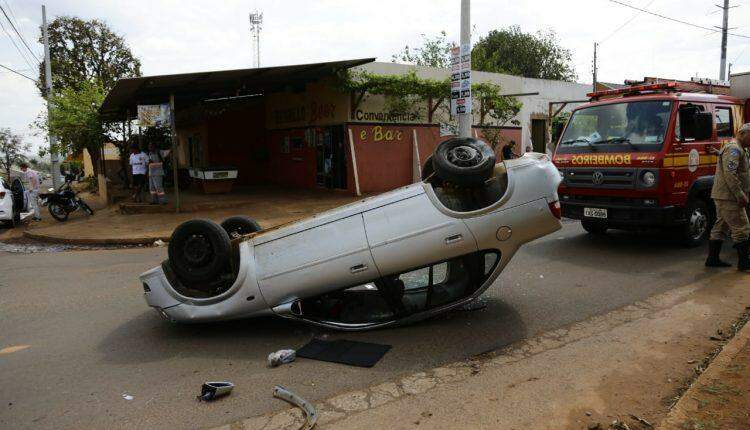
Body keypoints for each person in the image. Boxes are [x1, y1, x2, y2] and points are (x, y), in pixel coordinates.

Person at [706, 123, 750, 271]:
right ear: (743, 133)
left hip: (723, 195)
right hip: (730, 196)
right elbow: (730, 174)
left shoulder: (738, 148)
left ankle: (712, 259)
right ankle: (744, 263)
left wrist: (717, 153)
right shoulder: (734, 148)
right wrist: (740, 195)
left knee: (721, 226)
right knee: (742, 227)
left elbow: (730, 163)